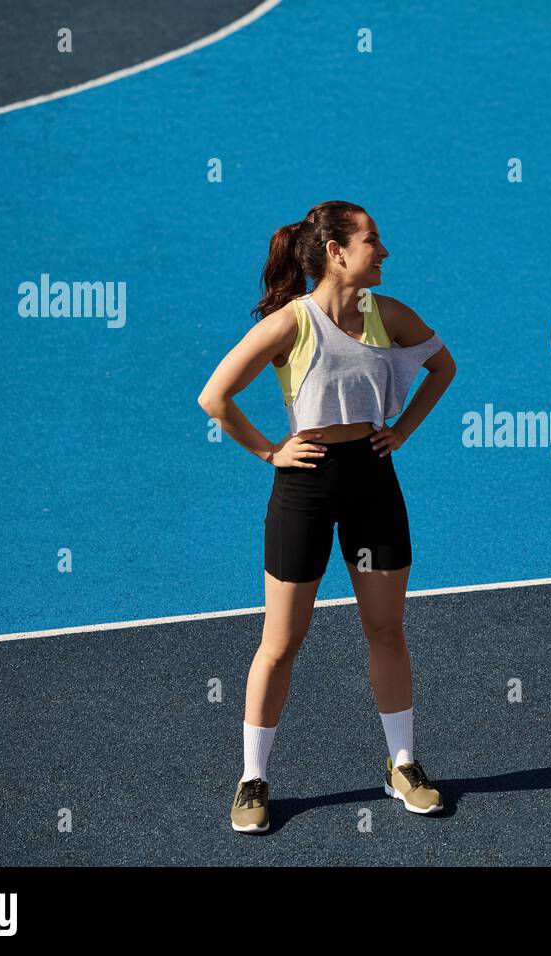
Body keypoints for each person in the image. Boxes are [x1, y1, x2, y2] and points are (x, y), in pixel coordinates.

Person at [197, 201, 456, 832]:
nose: (384, 251)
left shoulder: (387, 315)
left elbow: (442, 367)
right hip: (306, 488)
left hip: (372, 481)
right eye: (372, 241)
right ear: (337, 252)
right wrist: (270, 450)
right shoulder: (294, 322)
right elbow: (215, 395)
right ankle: (253, 778)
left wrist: (401, 431)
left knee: (386, 630)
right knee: (281, 642)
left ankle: (402, 766)